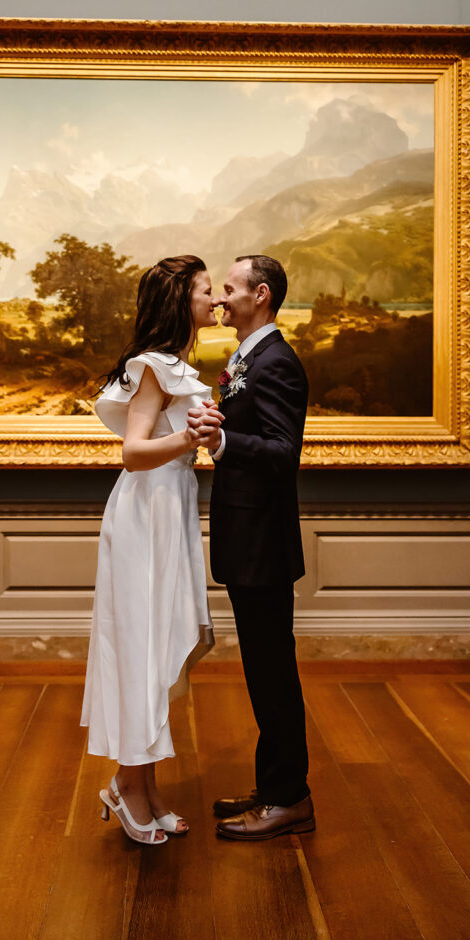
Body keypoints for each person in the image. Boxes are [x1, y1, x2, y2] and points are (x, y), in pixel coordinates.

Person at [81, 254, 222, 845]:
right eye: (205, 292)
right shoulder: (150, 368)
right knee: (140, 649)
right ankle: (128, 787)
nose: (214, 302)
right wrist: (186, 437)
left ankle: (140, 785)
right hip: (146, 517)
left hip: (169, 510)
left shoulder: (175, 365)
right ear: (178, 301)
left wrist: (202, 437)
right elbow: (133, 452)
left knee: (155, 646)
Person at [188, 254, 315, 841]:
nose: (220, 300)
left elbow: (283, 455)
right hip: (249, 539)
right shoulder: (247, 357)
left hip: (262, 542)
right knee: (263, 672)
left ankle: (288, 800)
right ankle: (273, 787)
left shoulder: (276, 362)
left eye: (231, 290)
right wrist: (227, 428)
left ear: (260, 296)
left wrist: (224, 437)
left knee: (272, 673)